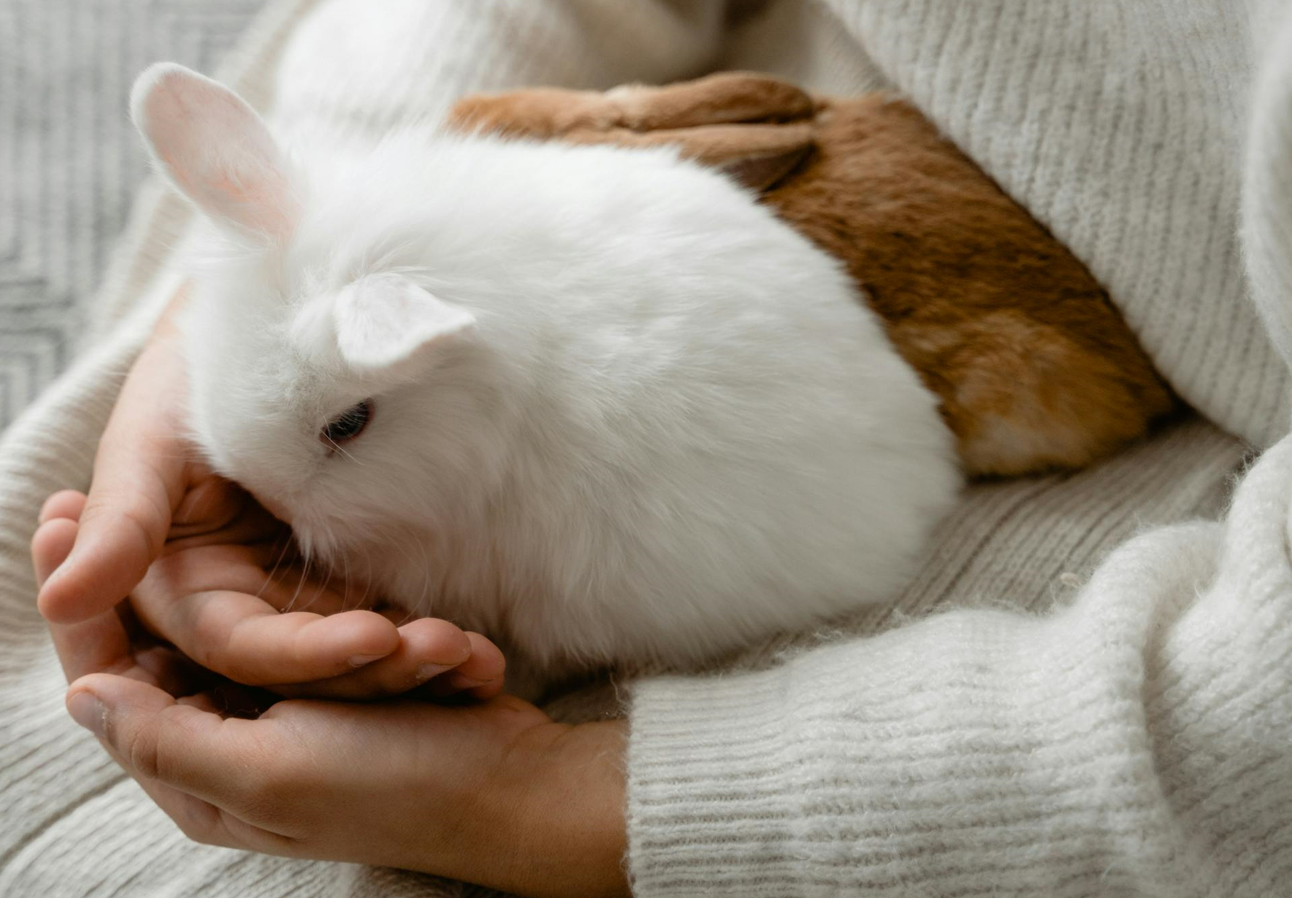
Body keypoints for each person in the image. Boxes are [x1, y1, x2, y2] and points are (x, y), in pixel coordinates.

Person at [19, 1, 1292, 895]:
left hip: (1025, 642)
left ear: (424, 351)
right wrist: (327, 193)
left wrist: (565, 810)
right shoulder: (393, 307)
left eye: (347, 427)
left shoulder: (446, 360)